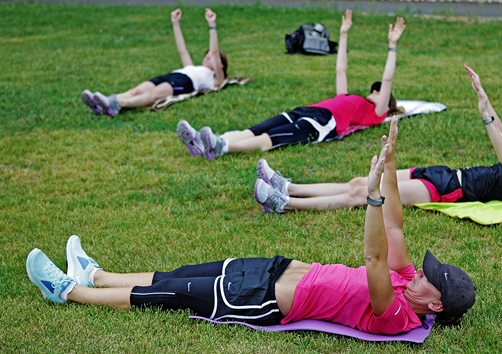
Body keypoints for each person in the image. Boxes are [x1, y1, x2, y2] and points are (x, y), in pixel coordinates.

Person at [25, 118, 476, 334]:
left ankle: (69, 291)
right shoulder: (405, 282)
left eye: (429, 279)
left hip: (264, 300)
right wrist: (392, 166)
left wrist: (374, 193)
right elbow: (395, 232)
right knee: (182, 275)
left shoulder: (395, 315)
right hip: (277, 268)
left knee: (171, 296)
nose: (420, 271)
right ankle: (98, 275)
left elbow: (374, 254)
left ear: (434, 307)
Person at [252, 65, 502, 213]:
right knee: (357, 182)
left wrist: (484, 115)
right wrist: (483, 96)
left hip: (444, 190)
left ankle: (285, 204)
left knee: (362, 195)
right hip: (442, 172)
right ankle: (292, 186)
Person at [176, 10, 405, 160]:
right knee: (258, 129)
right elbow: (340, 69)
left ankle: (222, 146)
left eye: (379, 93)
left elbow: (387, 80)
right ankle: (204, 141)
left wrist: (392, 45)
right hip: (308, 110)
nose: (374, 91)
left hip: (323, 123)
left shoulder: (377, 112)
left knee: (271, 139)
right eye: (374, 90)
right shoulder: (347, 98)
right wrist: (343, 34)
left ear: (386, 103)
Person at [81, 8, 227, 117]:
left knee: (153, 94)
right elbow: (182, 50)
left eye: (212, 58)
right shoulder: (192, 67)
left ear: (221, 65)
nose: (208, 57)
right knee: (136, 90)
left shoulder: (216, 78)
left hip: (186, 82)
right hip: (172, 75)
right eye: (206, 56)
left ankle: (116, 104)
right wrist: (175, 23)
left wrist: (211, 24)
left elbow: (215, 52)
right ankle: (104, 102)